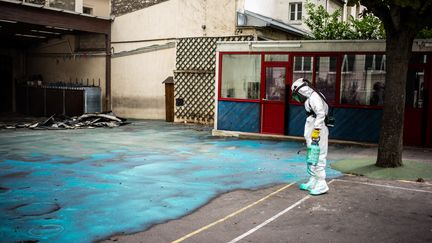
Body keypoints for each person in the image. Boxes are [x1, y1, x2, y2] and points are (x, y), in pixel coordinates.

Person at [291, 78, 329, 196]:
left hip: (318, 129)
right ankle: (314, 180)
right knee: (312, 154)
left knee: (319, 154)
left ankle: (321, 183)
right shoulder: (310, 98)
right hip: (313, 126)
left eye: (297, 95)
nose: (298, 98)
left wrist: (316, 131)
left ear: (301, 90)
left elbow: (321, 113)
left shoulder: (314, 97)